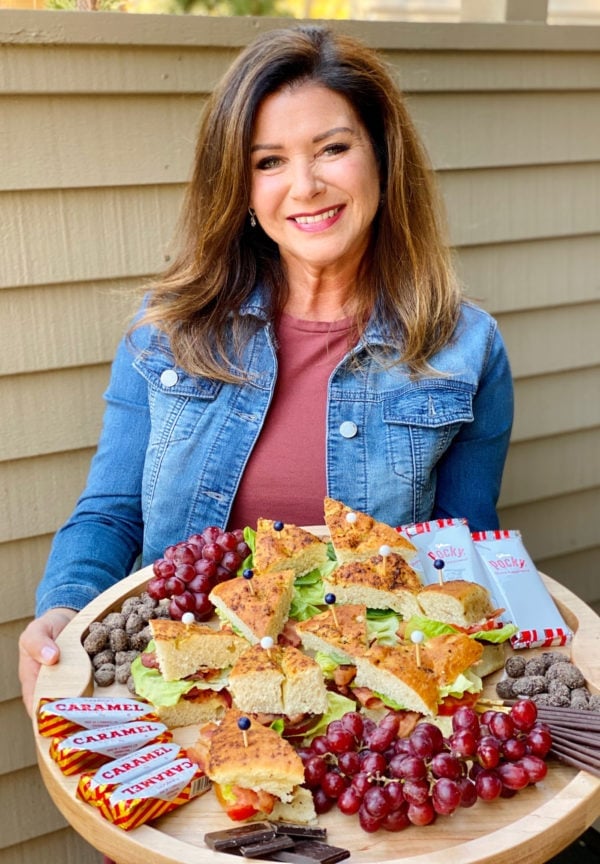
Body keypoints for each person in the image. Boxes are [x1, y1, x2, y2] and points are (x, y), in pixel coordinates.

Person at [18, 23, 513, 716]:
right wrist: (63, 606)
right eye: (269, 161)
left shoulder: (464, 349)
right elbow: (111, 512)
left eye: (333, 149)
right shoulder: (167, 333)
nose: (305, 186)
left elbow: (457, 563)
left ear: (382, 157)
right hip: (182, 698)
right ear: (241, 187)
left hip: (367, 713)